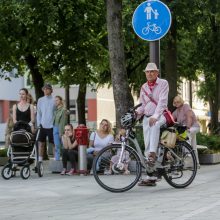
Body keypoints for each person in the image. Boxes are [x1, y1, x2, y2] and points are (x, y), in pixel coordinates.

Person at [136, 62, 169, 186]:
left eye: (152, 71)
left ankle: (153, 155)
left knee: (155, 127)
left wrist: (155, 116)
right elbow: (143, 105)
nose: (149, 74)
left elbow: (162, 101)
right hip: (147, 118)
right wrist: (136, 114)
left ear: (157, 72)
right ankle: (151, 176)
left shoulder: (163, 83)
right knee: (147, 144)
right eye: (147, 72)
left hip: (161, 116)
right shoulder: (144, 87)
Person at [172, 96, 200, 167]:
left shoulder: (186, 106)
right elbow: (171, 118)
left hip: (193, 127)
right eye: (175, 102)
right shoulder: (176, 111)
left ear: (181, 101)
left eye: (178, 101)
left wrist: (188, 127)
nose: (176, 103)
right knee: (193, 145)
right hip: (189, 129)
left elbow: (189, 117)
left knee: (186, 137)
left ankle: (188, 158)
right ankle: (196, 163)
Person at [37, 83, 55, 162]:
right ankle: (39, 161)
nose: (45, 90)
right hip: (42, 125)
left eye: (47, 89)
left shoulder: (54, 100)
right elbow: (39, 113)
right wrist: (39, 124)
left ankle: (55, 160)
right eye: (44, 89)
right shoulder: (40, 100)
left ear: (51, 90)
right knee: (41, 144)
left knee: (54, 144)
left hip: (52, 125)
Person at [53, 96, 67, 161]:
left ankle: (65, 159)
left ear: (61, 101)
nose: (55, 101)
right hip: (55, 128)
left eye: (57, 100)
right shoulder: (55, 110)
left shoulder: (63, 110)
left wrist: (61, 132)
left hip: (60, 128)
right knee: (56, 145)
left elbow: (63, 122)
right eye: (55, 100)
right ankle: (57, 159)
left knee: (64, 145)